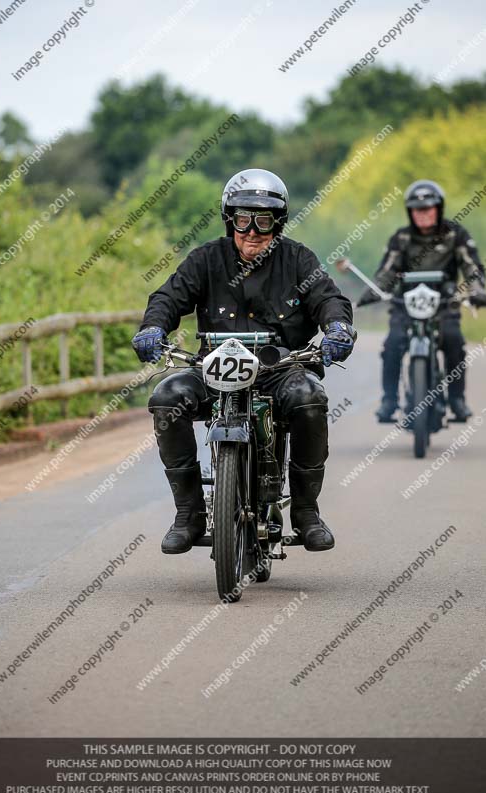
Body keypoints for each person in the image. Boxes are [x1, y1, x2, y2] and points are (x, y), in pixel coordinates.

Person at [132, 169, 356, 555]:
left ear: (278, 223)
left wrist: (337, 329)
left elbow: (329, 299)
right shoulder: (205, 259)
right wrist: (153, 328)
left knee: (309, 400)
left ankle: (306, 511)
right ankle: (188, 514)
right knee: (168, 396)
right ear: (229, 219)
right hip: (213, 370)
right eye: (242, 219)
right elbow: (168, 298)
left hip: (280, 370)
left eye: (264, 220)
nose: (252, 230)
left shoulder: (299, 259)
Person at [358, 180, 486, 422]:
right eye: (417, 209)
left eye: (428, 208)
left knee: (454, 341)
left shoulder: (455, 234)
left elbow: (472, 269)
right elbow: (387, 271)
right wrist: (373, 292)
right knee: (393, 344)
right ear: (410, 212)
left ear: (439, 209)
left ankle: (457, 400)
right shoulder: (401, 238)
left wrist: (478, 290)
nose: (423, 214)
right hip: (405, 304)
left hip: (444, 304)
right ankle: (389, 401)